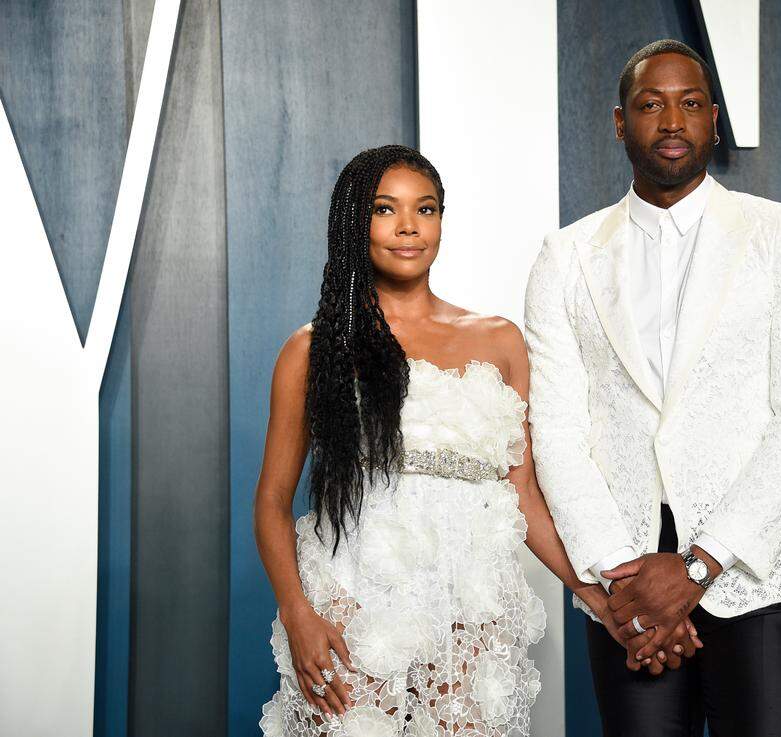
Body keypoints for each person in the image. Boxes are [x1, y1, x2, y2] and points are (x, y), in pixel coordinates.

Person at [252, 145, 698, 735]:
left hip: (471, 612)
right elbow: (271, 503)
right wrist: (298, 613)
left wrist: (598, 595)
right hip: (353, 609)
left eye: (426, 209)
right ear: (353, 222)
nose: (409, 226)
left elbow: (525, 496)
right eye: (386, 209)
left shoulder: (498, 341)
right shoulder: (312, 351)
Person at [524, 40, 781, 736]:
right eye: (651, 104)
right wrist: (622, 578)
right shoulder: (567, 256)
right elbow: (557, 431)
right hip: (627, 577)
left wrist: (699, 566)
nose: (672, 119)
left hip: (755, 565)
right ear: (619, 123)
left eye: (691, 103)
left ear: (714, 120)